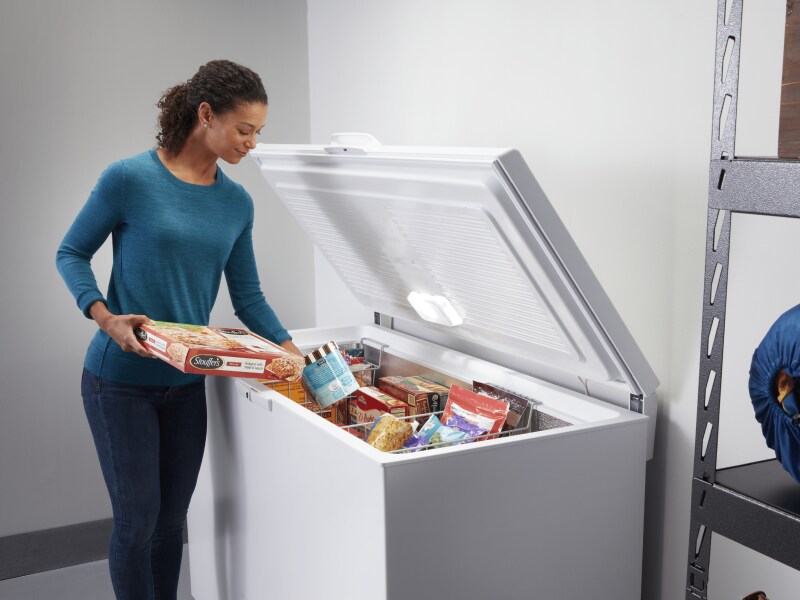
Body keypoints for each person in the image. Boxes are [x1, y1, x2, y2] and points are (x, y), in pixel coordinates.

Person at [55, 59, 301, 600]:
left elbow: (248, 297)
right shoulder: (130, 178)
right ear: (206, 115)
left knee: (171, 524)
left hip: (189, 384)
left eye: (259, 132)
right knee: (137, 522)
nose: (252, 143)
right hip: (118, 381)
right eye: (244, 129)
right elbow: (71, 252)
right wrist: (104, 315)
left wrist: (292, 353)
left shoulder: (236, 202)